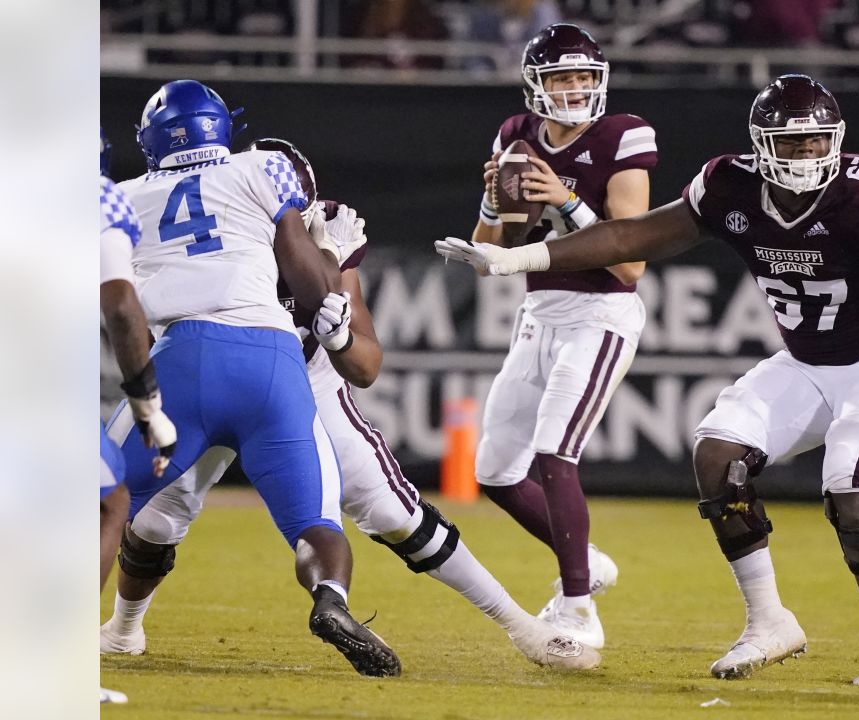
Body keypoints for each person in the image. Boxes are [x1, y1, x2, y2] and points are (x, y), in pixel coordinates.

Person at [436, 73, 859, 685]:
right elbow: (629, 235)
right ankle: (768, 621)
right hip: (806, 364)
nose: (807, 155)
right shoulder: (729, 187)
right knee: (717, 454)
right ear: (761, 144)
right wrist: (519, 256)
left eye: (817, 143)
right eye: (792, 143)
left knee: (851, 490)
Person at [100, 137, 599, 671]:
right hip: (260, 376)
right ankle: (125, 629)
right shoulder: (242, 215)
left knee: (394, 512)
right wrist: (329, 261)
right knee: (159, 520)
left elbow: (365, 365)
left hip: (305, 384)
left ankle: (524, 629)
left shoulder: (302, 217)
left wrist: (338, 337)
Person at [107, 79, 400, 677]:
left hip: (180, 358)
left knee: (101, 499)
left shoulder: (124, 196)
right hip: (272, 359)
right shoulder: (263, 168)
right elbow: (303, 272)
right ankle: (331, 601)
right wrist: (332, 285)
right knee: (315, 522)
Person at [464, 22, 657, 650]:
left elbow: (631, 263)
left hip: (600, 316)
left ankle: (578, 610)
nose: (575, 90)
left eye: (583, 77)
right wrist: (495, 203)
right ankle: (588, 561)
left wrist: (568, 199)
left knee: (554, 453)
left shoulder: (624, 134)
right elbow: (488, 249)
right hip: (539, 314)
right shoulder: (517, 136)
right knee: (494, 471)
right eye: (562, 78)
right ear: (535, 85)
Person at [99, 128, 178, 705]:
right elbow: (123, 305)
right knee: (107, 501)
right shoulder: (97, 195)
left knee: (106, 495)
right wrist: (148, 404)